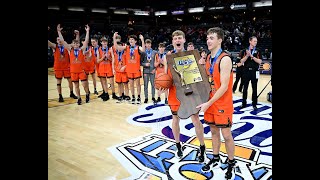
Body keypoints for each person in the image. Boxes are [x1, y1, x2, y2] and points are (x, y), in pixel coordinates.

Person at [160, 30, 206, 163]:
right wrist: (164, 86)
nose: (177, 40)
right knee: (175, 119)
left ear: (184, 40)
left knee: (196, 119)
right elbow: (165, 76)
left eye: (180, 38)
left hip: (190, 93)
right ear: (173, 41)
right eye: (175, 38)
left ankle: (202, 147)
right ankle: (178, 145)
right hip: (174, 94)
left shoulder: (192, 56)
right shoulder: (167, 57)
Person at [196, 27, 236, 179]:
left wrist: (208, 103)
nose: (208, 41)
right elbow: (207, 80)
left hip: (222, 103)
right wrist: (200, 65)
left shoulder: (225, 59)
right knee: (213, 131)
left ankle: (232, 162)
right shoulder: (207, 58)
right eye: (207, 38)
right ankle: (215, 156)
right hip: (210, 102)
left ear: (220, 40)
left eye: (212, 38)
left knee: (226, 135)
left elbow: (224, 87)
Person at [58, 24, 91, 105]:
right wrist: (59, 32)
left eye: (77, 43)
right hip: (73, 71)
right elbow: (62, 41)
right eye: (74, 43)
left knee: (84, 85)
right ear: (72, 44)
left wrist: (87, 31)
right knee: (76, 86)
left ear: (79, 44)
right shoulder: (70, 50)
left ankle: (87, 94)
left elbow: (86, 41)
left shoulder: (82, 50)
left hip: (81, 71)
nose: (76, 45)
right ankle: (79, 98)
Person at [113, 32, 145, 104]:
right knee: (131, 84)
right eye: (130, 39)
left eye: (132, 39)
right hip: (129, 69)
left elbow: (143, 50)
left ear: (135, 41)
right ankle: (133, 97)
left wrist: (142, 40)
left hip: (136, 69)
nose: (131, 40)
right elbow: (117, 47)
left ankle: (138, 97)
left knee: (137, 84)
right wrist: (114, 38)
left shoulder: (138, 47)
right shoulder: (126, 47)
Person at [47, 27, 78, 102]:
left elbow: (76, 43)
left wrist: (77, 34)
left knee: (70, 81)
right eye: (58, 40)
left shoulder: (67, 46)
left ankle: (71, 93)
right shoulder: (55, 46)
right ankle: (60, 96)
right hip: (58, 68)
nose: (59, 41)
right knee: (59, 82)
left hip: (66, 67)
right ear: (56, 41)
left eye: (60, 39)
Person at [239, 36, 262, 111]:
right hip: (246, 71)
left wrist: (252, 56)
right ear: (250, 41)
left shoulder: (258, 51)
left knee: (254, 89)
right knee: (245, 88)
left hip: (255, 71)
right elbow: (241, 61)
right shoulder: (244, 51)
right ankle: (243, 103)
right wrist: (247, 56)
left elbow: (260, 61)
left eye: (256, 41)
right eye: (254, 41)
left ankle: (254, 104)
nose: (256, 42)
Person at [112, 34, 130, 102]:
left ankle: (127, 95)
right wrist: (113, 69)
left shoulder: (125, 53)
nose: (119, 47)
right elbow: (113, 62)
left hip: (124, 71)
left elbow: (128, 62)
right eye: (118, 46)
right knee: (119, 84)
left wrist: (125, 67)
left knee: (125, 84)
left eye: (120, 46)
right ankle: (120, 95)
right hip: (118, 71)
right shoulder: (115, 53)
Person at [141, 39, 156, 104]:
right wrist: (145, 64)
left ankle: (153, 97)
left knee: (153, 85)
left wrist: (155, 69)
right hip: (146, 71)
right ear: (145, 45)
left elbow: (156, 61)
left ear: (151, 44)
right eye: (147, 44)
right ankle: (146, 98)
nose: (148, 45)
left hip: (152, 71)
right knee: (145, 85)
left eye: (149, 44)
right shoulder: (143, 53)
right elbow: (140, 63)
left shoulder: (154, 52)